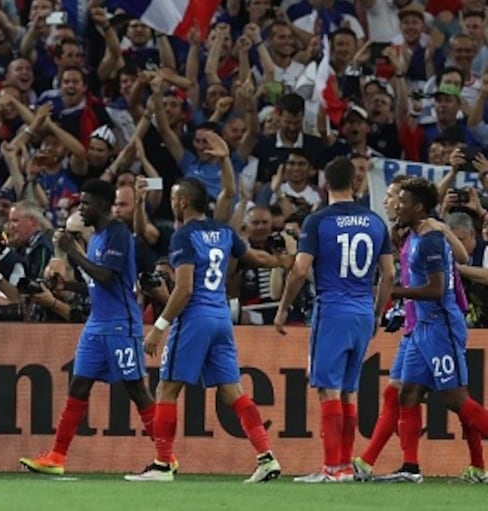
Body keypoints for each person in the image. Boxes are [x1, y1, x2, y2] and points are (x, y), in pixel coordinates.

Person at [128, 177, 286, 483]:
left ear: (183, 202)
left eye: (174, 198)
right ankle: (266, 457)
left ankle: (162, 465)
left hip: (195, 318)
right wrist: (286, 261)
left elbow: (184, 288)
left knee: (167, 389)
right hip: (221, 317)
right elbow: (254, 258)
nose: (172, 203)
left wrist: (159, 327)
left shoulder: (184, 237)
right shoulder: (224, 231)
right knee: (233, 392)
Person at [19, 179, 155, 476]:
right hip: (97, 324)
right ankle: (56, 457)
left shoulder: (118, 234)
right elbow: (97, 284)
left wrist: (72, 251)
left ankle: (166, 458)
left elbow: (107, 276)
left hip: (121, 324)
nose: (82, 209)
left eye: (87, 203)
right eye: (81, 203)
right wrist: (66, 284)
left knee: (136, 390)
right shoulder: (96, 238)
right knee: (79, 385)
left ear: (104, 206)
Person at [274, 157, 394, 482]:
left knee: (328, 390)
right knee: (348, 392)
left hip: (332, 311)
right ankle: (343, 466)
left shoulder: (318, 221)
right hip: (362, 313)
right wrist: (378, 312)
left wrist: (284, 307)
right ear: (354, 184)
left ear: (324, 185)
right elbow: (389, 273)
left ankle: (332, 468)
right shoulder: (375, 222)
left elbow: (300, 269)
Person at [377, 177, 488, 483]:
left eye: (402, 201)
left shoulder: (431, 239)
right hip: (420, 328)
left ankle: (478, 466)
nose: (397, 205)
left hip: (441, 326)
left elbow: (437, 289)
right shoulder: (413, 235)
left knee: (456, 400)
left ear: (419, 208)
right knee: (409, 394)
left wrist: (394, 293)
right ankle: (410, 468)